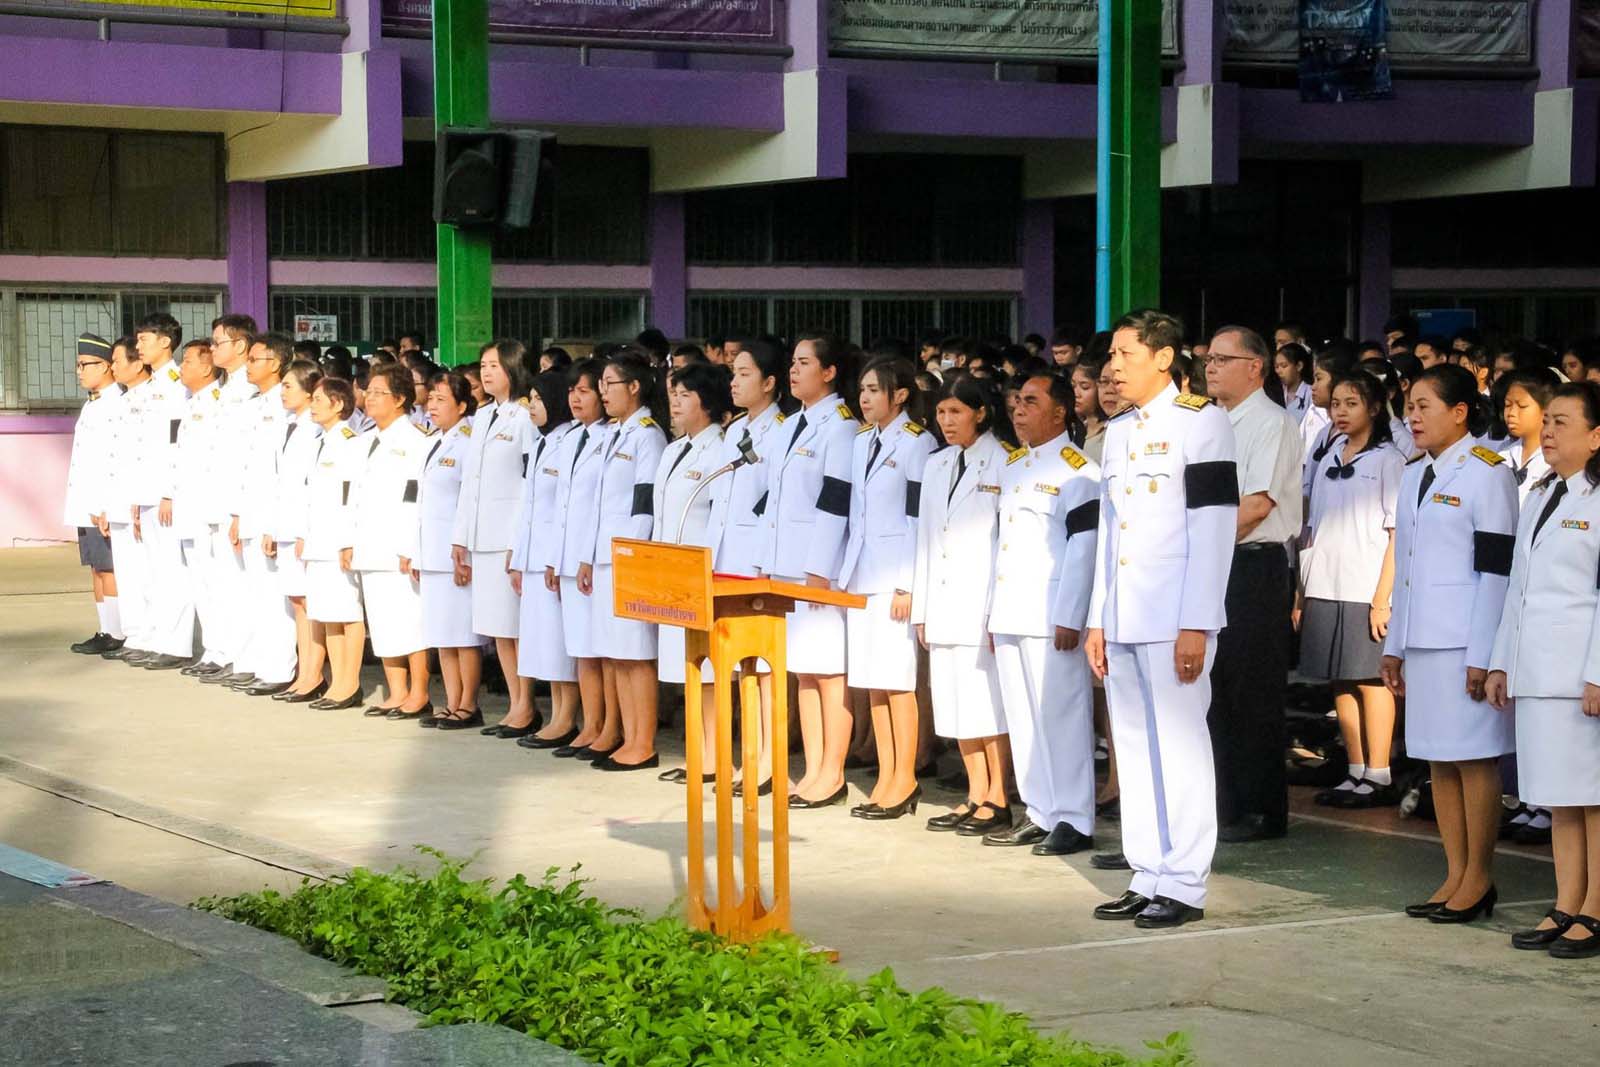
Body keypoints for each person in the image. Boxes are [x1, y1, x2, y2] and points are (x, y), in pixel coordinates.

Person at [1086, 308, 1239, 930]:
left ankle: (1183, 881)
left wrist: (1197, 622)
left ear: (1165, 358)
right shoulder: (1120, 430)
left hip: (1174, 614)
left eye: (1126, 354)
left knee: (1179, 748)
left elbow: (1214, 529)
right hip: (1124, 612)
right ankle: (1147, 871)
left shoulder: (1202, 422)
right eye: (1112, 355)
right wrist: (1098, 617)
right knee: (1132, 746)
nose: (1114, 367)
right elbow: (1109, 533)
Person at [1381, 363, 1518, 924]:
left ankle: (1479, 877)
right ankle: (1455, 872)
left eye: (1424, 406)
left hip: (1464, 642)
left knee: (1474, 760)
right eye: (1409, 407)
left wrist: (1483, 655)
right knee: (1440, 759)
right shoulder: (1416, 473)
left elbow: (1496, 572)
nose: (1412, 417)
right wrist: (1394, 643)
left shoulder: (1487, 472)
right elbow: (1407, 567)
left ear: (1460, 412)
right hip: (1423, 639)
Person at [1488, 381, 1600, 956]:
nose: (1549, 431)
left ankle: (1596, 908)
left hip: (1579, 673)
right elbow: (1519, 589)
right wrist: (1501, 661)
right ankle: (1567, 901)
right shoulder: (1540, 493)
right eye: (1547, 421)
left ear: (1596, 436)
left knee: (1593, 797)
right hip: (1536, 667)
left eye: (1562, 421)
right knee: (1560, 796)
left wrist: (1599, 672)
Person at [982, 372, 1099, 855]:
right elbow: (1002, 545)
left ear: (1060, 412)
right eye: (1017, 401)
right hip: (1012, 609)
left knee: (1062, 716)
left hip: (1051, 613)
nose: (1019, 409)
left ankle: (1074, 816)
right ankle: (1040, 810)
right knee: (1023, 715)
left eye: (1031, 401)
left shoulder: (1079, 471)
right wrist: (992, 613)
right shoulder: (1014, 466)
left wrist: (1071, 614)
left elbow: (1084, 548)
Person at [1203, 326, 1303, 843]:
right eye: (1209, 358)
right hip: (1215, 561)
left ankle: (1261, 809)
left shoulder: (1271, 421)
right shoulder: (1211, 422)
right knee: (1215, 688)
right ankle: (1225, 804)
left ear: (1255, 367)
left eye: (1223, 359)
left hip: (1252, 564)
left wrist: (1199, 541)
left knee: (1253, 688)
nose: (1211, 367)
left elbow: (1258, 504)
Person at [761, 334, 860, 809]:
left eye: (804, 363)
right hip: (784, 565)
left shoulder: (840, 426)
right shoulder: (790, 424)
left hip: (817, 569)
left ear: (829, 372)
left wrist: (820, 567)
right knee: (802, 671)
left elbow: (836, 500)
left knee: (828, 673)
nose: (794, 370)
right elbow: (774, 500)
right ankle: (813, 768)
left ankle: (833, 773)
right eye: (793, 363)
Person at [913, 374, 1015, 835]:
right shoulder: (937, 463)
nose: (947, 421)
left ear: (981, 412)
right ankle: (975, 792)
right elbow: (925, 538)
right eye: (941, 412)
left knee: (986, 703)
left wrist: (998, 609)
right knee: (954, 702)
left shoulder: (1004, 461)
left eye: (956, 411)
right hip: (943, 599)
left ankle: (998, 796)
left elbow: (1005, 543)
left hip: (981, 602)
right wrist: (921, 607)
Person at [1298, 373, 1404, 808]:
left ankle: (1379, 773)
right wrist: (1301, 592)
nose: (1340, 412)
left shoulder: (1389, 460)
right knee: (1340, 680)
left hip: (1365, 586)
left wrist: (1382, 599)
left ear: (1374, 408)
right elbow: (1311, 526)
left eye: (1351, 403)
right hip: (1324, 581)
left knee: (1371, 681)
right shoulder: (1328, 455)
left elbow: (1397, 534)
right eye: (1336, 404)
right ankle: (1356, 769)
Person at [839, 357, 936, 820]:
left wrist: (907, 584)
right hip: (862, 573)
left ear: (899, 396)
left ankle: (906, 777)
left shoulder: (918, 442)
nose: (865, 398)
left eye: (875, 390)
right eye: (862, 389)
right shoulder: (862, 441)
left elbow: (918, 519)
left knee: (898, 683)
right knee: (873, 682)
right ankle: (885, 773)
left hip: (895, 577)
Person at [697, 340, 792, 792]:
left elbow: (772, 502)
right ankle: (744, 756)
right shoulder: (735, 430)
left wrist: (762, 560)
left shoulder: (783, 432)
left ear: (769, 382)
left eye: (744, 374)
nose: (733, 382)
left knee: (765, 668)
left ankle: (771, 760)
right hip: (725, 559)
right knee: (736, 666)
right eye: (733, 373)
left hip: (756, 561)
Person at [588, 350, 669, 770]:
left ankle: (643, 742)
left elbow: (644, 502)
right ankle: (626, 735)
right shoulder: (615, 433)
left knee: (636, 653)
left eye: (610, 384)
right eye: (600, 384)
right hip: (606, 555)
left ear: (634, 387)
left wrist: (632, 556)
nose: (603, 392)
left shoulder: (647, 436)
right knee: (617, 653)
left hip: (629, 557)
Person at [649, 361, 732, 770]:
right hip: (671, 570)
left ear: (707, 402)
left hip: (701, 571)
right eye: (674, 395)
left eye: (686, 395)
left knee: (710, 669)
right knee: (688, 667)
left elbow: (720, 518)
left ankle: (716, 755)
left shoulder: (721, 450)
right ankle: (699, 752)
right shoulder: (673, 449)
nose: (676, 403)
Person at [452, 340, 536, 733]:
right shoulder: (484, 416)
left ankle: (526, 705)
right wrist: (460, 536)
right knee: (498, 628)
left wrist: (518, 542)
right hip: (481, 536)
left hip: (507, 538)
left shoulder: (525, 416)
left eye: (494, 366)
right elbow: (471, 481)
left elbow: (528, 484)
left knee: (514, 627)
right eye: (483, 366)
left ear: (513, 368)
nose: (486, 373)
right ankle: (516, 704)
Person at [351, 363, 433, 720]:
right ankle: (396, 691)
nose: (369, 398)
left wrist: (409, 547)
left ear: (400, 399)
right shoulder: (367, 439)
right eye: (368, 391)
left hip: (399, 548)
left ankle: (420, 693)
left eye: (378, 392)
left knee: (411, 623)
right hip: (370, 544)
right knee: (383, 623)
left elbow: (414, 499)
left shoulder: (415, 441)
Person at [508, 371, 581, 744]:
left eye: (538, 399)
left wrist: (554, 558)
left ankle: (566, 718)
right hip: (534, 556)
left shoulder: (569, 441)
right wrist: (518, 558)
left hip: (555, 557)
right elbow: (529, 507)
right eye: (530, 399)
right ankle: (554, 714)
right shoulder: (540, 442)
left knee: (558, 644)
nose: (532, 406)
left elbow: (566, 508)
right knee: (541, 642)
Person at [547, 359, 613, 758]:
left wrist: (585, 556)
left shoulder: (610, 437)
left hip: (594, 558)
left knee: (600, 650)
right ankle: (590, 724)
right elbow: (562, 505)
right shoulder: (571, 437)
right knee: (581, 651)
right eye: (572, 391)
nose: (576, 397)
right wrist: (554, 559)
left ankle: (607, 726)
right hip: (569, 557)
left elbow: (601, 507)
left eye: (585, 390)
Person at [191, 315, 260, 684]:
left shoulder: (251, 391)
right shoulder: (221, 389)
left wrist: (238, 509)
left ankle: (243, 657)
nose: (212, 348)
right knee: (215, 584)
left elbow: (248, 456)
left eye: (218, 343)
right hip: (212, 501)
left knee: (239, 586)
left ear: (241, 345)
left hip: (236, 504)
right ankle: (220, 651)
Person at [231, 334, 298, 696]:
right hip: (250, 510)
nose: (248, 365)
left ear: (275, 363)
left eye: (255, 359)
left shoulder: (285, 407)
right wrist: (237, 515)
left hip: (272, 514)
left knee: (274, 597)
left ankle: (279, 669)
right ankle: (257, 662)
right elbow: (245, 466)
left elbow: (282, 471)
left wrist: (274, 522)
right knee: (254, 594)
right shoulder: (253, 404)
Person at [128, 313, 195, 670]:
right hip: (148, 491)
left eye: (144, 339)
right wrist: (138, 497)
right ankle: (156, 637)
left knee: (172, 570)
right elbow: (142, 447)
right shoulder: (150, 385)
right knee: (153, 570)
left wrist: (169, 492)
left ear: (166, 341)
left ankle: (177, 644)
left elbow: (176, 443)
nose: (138, 345)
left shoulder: (176, 385)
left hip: (166, 493)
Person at [416, 370, 482, 728]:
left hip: (455, 553)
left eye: (442, 399)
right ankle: (452, 700)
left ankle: (469, 704)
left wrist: (464, 551)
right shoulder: (436, 440)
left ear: (461, 405)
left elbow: (468, 502)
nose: (433, 405)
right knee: (443, 633)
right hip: (431, 551)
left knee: (462, 635)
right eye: (431, 398)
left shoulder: (468, 443)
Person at [297, 378, 368, 711]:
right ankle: (338, 681)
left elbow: (352, 497)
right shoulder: (320, 441)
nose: (312, 405)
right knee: (328, 614)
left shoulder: (350, 442)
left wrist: (348, 540)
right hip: (318, 540)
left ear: (338, 404)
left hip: (339, 541)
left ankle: (350, 683)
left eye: (318, 399)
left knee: (348, 613)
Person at [267, 360, 328, 703]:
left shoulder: (316, 430)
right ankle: (304, 672)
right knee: (297, 601)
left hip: (304, 527)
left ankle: (313, 674)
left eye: (289, 385)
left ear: (309, 391)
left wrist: (305, 531)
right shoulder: (289, 425)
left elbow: (311, 486)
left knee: (308, 601)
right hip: (287, 524)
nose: (283, 391)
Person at [64, 334, 125, 655]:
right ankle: (105, 629)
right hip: (85, 502)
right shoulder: (94, 403)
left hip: (102, 504)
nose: (80, 371)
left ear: (105, 366)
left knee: (109, 566)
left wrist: (106, 504)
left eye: (85, 364)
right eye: (78, 365)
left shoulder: (117, 404)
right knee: (96, 567)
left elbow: (114, 460)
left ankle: (118, 632)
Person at [170, 341, 224, 679]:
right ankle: (211, 649)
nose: (181, 367)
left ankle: (222, 650)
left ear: (206, 368)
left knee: (214, 582)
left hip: (207, 508)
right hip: (189, 505)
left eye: (188, 361)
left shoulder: (217, 402)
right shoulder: (192, 403)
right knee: (200, 582)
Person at [99, 338, 153, 665]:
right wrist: (105, 505)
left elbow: (148, 457)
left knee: (145, 574)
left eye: (118, 361)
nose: (114, 367)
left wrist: (139, 499)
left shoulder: (153, 397)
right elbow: (112, 459)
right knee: (128, 574)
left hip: (140, 502)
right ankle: (134, 634)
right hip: (118, 500)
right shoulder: (122, 400)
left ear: (137, 363)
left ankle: (149, 635)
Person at [1497, 369, 1557, 502]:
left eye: (1522, 406)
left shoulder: (1555, 461)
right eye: (1508, 405)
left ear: (1547, 410)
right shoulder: (1502, 453)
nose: (1511, 413)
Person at [1073, 358, 1108, 463]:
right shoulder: (1072, 429)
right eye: (1073, 386)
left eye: (1085, 387)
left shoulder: (1110, 431)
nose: (1076, 394)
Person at [1274, 342, 1317, 426]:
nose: (1279, 371)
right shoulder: (1275, 393)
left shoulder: (1311, 394)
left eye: (1284, 366)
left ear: (1299, 366)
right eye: (1276, 367)